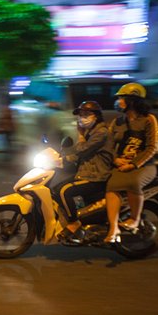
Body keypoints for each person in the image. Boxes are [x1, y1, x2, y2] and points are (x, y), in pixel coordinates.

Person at [53, 101, 114, 244]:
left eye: (86, 114)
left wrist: (80, 136)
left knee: (64, 192)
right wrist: (60, 159)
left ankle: (74, 224)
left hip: (96, 176)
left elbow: (82, 150)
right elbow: (79, 154)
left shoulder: (101, 132)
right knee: (55, 191)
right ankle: (83, 217)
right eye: (80, 115)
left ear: (96, 116)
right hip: (86, 173)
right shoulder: (91, 132)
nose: (82, 118)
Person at [104, 83, 158, 244]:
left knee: (133, 182)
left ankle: (134, 219)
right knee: (110, 186)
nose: (118, 101)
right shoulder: (117, 121)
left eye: (122, 98)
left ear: (132, 100)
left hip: (145, 166)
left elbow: (152, 147)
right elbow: (108, 145)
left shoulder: (149, 120)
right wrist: (115, 159)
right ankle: (114, 228)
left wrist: (134, 164)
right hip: (120, 164)